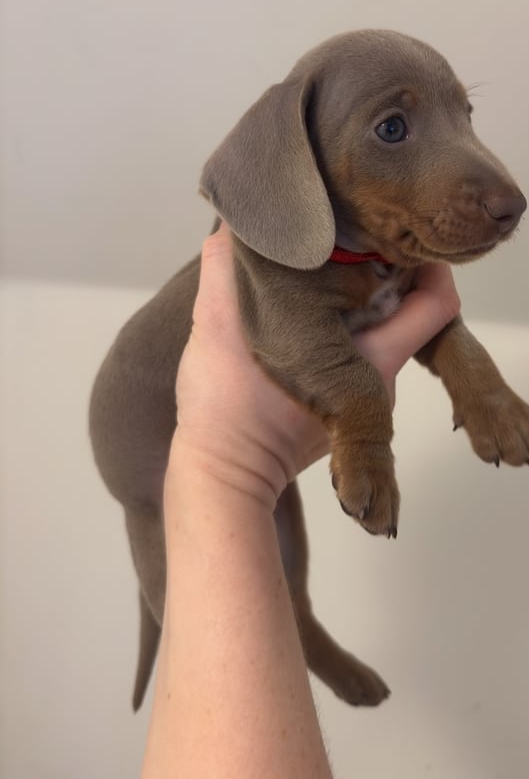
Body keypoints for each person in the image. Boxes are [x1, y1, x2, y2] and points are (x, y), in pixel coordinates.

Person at [141, 224, 460, 778]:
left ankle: (302, 623)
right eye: (391, 128)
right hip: (134, 420)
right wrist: (227, 462)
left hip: (229, 444)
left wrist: (233, 468)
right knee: (171, 585)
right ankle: (279, 630)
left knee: (272, 510)